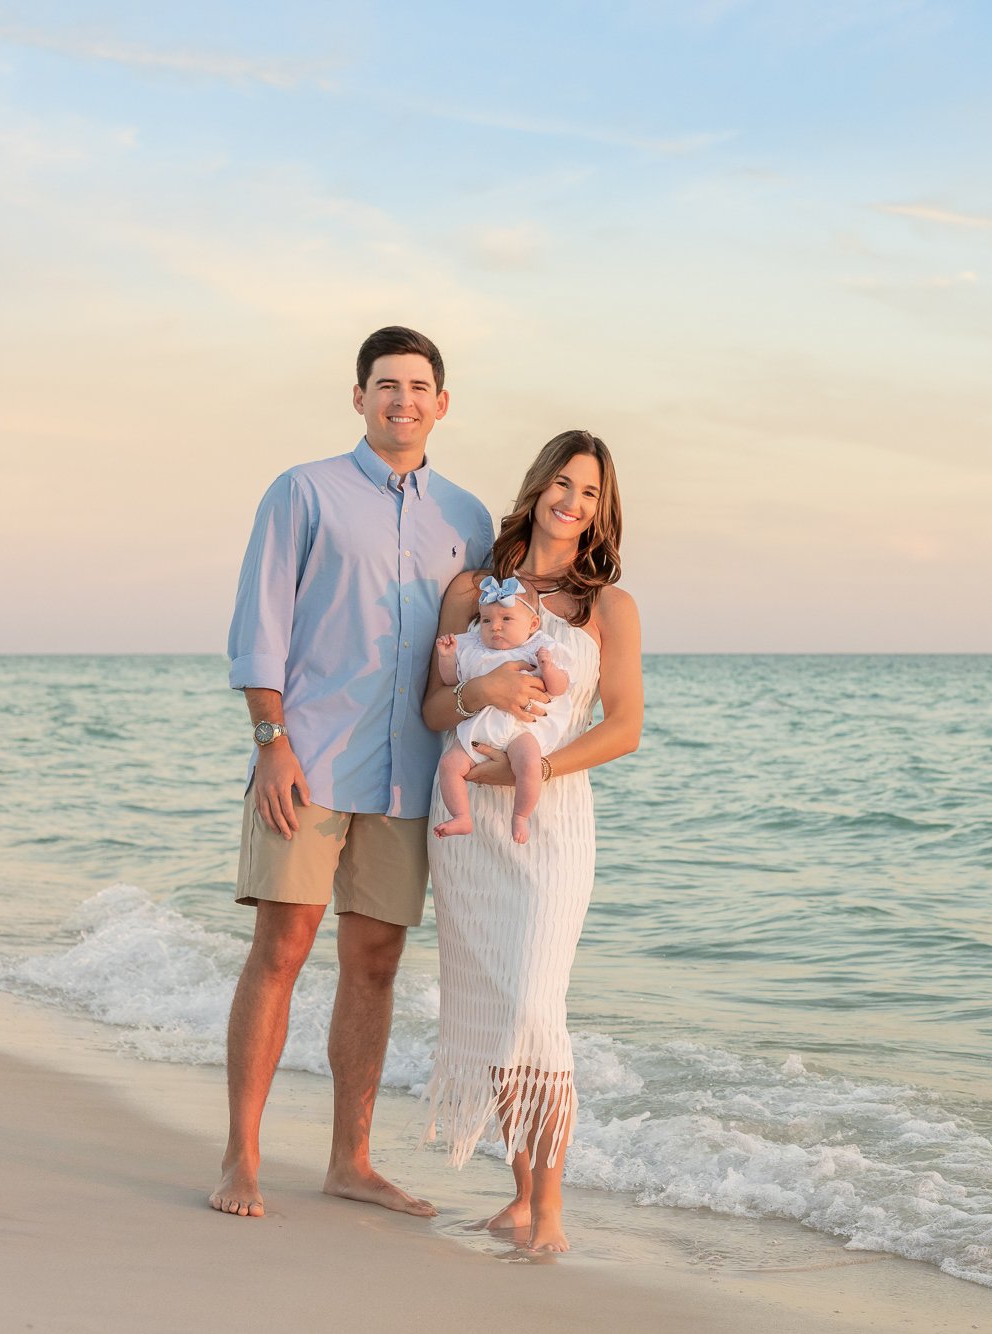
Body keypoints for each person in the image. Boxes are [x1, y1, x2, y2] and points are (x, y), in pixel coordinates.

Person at [210, 326, 494, 1220]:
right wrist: (271, 742)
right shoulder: (304, 493)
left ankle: (350, 1162)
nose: (401, 399)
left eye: (418, 386)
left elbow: (477, 644)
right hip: (311, 761)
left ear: (441, 404)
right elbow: (260, 624)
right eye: (385, 384)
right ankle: (241, 1160)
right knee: (281, 952)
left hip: (411, 774)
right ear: (360, 397)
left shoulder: (469, 518)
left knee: (373, 963)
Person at [420, 429, 643, 1254]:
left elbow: (625, 727)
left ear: (600, 510)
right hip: (469, 827)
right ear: (538, 486)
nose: (571, 501)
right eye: (562, 482)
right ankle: (519, 1197)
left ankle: (551, 1212)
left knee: (533, 1003)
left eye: (588, 492)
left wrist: (536, 767)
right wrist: (475, 688)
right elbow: (432, 710)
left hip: (550, 820)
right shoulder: (473, 589)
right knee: (493, 1002)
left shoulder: (607, 607)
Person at [432, 575, 574, 843]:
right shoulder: (474, 648)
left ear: (532, 624)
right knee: (450, 764)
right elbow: (452, 682)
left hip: (521, 728)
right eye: (486, 620)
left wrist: (548, 668)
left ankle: (520, 815)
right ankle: (461, 816)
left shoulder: (539, 648)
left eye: (506, 619)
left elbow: (559, 687)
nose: (495, 627)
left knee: (530, 763)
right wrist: (447, 657)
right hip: (480, 729)